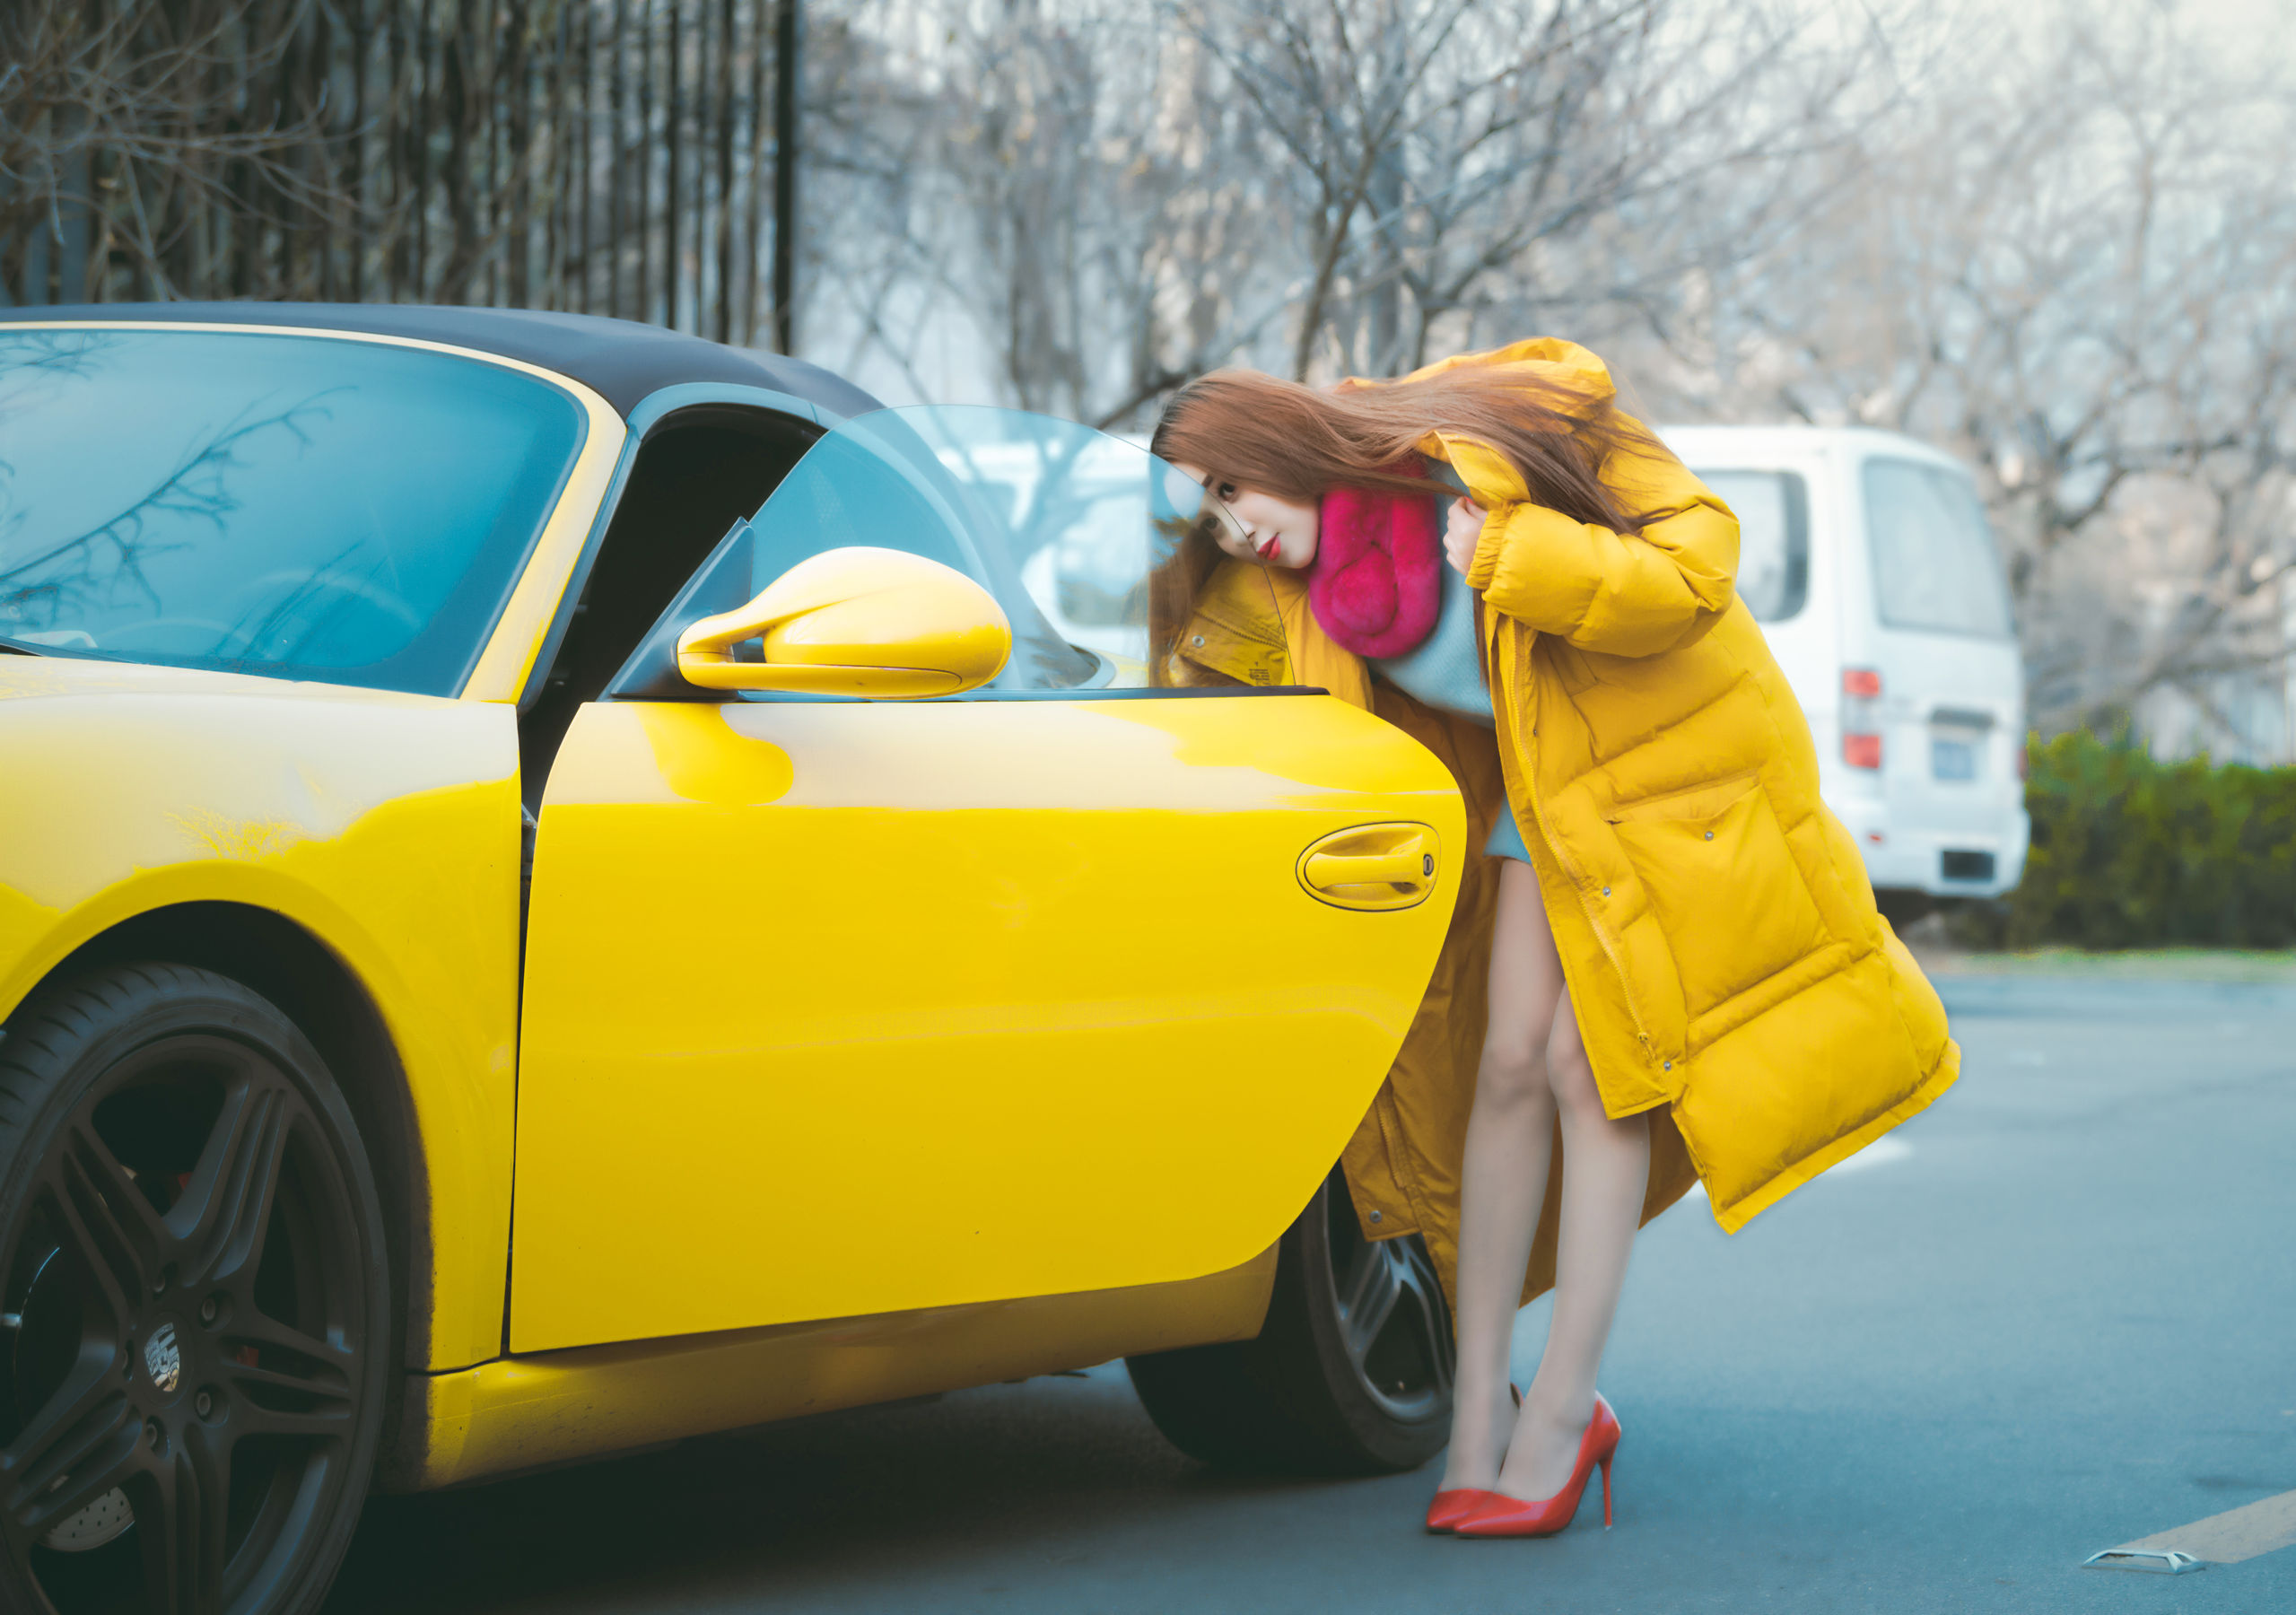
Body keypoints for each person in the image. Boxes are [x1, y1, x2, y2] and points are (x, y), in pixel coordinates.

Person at [1149, 340, 1957, 1539]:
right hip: (1536, 805)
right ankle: (1478, 1413)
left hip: (1661, 786)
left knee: (1594, 1071)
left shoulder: (1510, 427)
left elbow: (1695, 570)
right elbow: (1211, 707)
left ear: (1268, 443)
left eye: (1227, 492)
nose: (1231, 532)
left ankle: (1565, 1411)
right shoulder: (1275, 594)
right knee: (1510, 1067)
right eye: (1204, 524)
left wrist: (1517, 552)